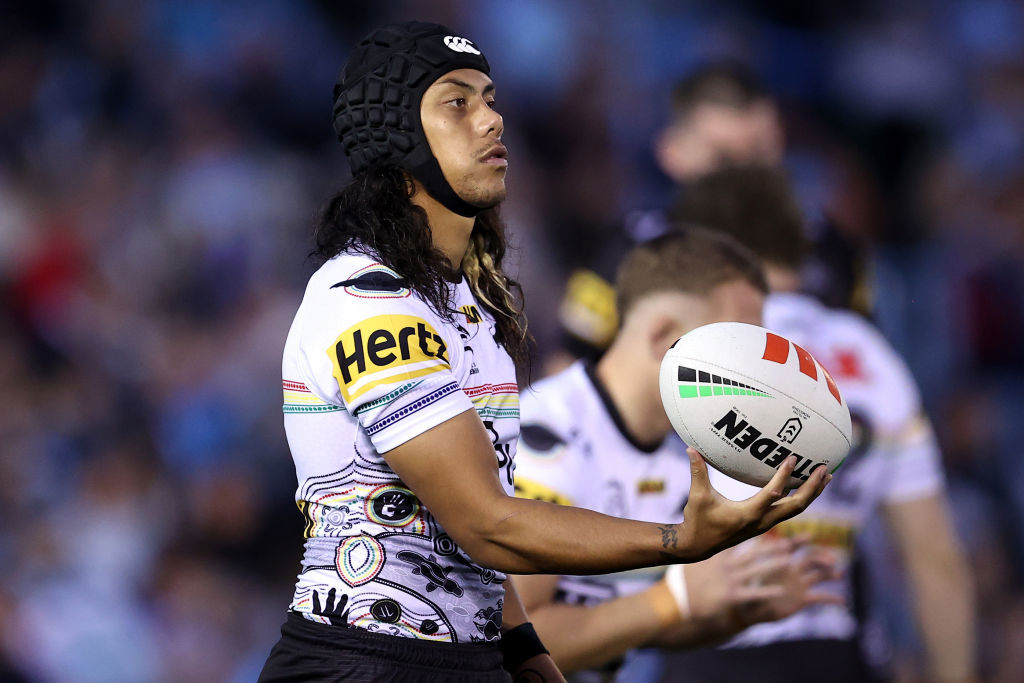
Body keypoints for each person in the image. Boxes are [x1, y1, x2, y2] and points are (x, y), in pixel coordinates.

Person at [257, 22, 830, 682]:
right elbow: (486, 523)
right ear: (397, 135)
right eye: (457, 102)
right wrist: (682, 543)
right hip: (357, 665)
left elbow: (464, 555)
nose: (491, 120)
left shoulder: (466, 304)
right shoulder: (369, 297)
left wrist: (532, 660)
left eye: (491, 99)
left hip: (463, 664)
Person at [666, 165, 976, 682]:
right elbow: (934, 557)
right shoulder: (869, 352)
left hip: (713, 645)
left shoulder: (694, 346)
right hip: (836, 651)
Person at [512, 229, 843, 681]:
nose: (757, 374)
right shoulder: (544, 435)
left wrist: (735, 613)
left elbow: (628, 628)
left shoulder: (686, 455)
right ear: (664, 336)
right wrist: (674, 598)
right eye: (738, 348)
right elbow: (512, 643)